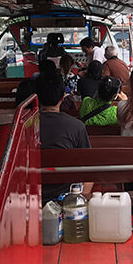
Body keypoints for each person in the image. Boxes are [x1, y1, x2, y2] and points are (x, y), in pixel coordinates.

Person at [37, 71, 90, 202]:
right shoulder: (76, 126)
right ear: (62, 97)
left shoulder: (24, 127)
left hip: (32, 195)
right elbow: (89, 165)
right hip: (66, 196)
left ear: (37, 97)